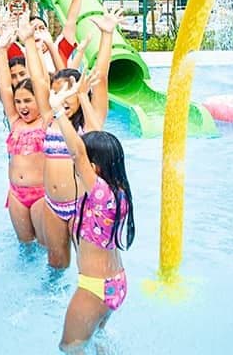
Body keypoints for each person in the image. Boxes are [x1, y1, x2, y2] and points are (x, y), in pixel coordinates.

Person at [26, 10, 122, 270]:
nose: (63, 98)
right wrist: (28, 42)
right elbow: (37, 78)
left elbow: (100, 77)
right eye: (57, 93)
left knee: (86, 265)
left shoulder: (91, 122)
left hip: (82, 204)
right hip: (52, 204)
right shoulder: (50, 118)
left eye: (69, 91)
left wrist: (107, 34)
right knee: (56, 262)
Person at [50, 74, 135, 352]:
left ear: (94, 167)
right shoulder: (117, 190)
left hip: (94, 288)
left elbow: (78, 151)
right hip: (116, 283)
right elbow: (98, 137)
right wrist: (84, 99)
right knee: (95, 340)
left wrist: (56, 109)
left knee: (69, 348)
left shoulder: (99, 193)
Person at [0, 25, 48, 245]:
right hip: (16, 193)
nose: (22, 106)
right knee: (25, 247)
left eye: (28, 100)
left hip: (41, 194)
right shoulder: (15, 121)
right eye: (19, 102)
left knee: (44, 247)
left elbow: (39, 80)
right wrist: (1, 49)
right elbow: (6, 87)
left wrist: (29, 44)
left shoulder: (46, 121)